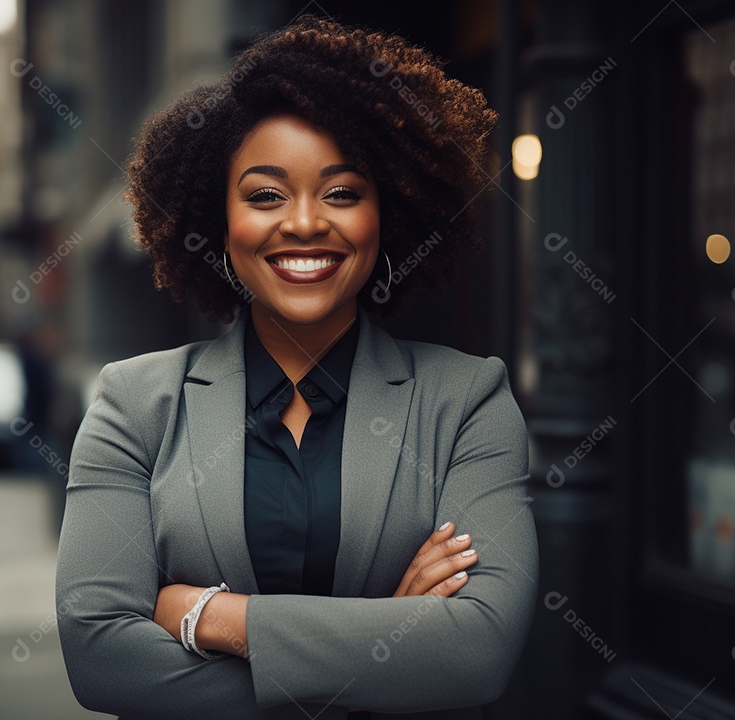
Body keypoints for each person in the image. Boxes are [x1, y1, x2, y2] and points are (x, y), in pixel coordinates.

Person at [56, 14, 537, 720]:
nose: (306, 222)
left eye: (342, 193)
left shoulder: (467, 402)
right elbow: (100, 657)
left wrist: (210, 618)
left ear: (387, 214)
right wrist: (385, 646)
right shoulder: (133, 406)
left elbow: (477, 652)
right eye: (265, 195)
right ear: (219, 221)